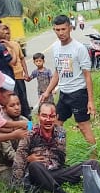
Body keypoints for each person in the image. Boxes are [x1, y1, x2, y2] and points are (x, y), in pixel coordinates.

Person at [12, 102, 100, 193]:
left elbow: (61, 157)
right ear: (38, 116)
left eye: (52, 116)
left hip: (55, 173)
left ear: (56, 117)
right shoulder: (30, 132)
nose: (48, 120)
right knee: (34, 165)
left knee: (93, 164)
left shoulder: (61, 132)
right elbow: (19, 158)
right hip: (37, 174)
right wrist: (18, 183)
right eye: (44, 116)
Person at [38, 14, 96, 158]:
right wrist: (47, 92)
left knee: (83, 127)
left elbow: (87, 76)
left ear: (70, 28)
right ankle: (57, 154)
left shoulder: (79, 48)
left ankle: (95, 158)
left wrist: (90, 101)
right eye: (57, 30)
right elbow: (58, 73)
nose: (61, 33)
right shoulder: (56, 47)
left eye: (63, 29)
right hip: (64, 94)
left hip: (78, 94)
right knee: (56, 125)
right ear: (54, 30)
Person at [0, 93, 30, 187]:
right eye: (12, 105)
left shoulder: (25, 120)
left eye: (18, 104)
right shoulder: (1, 126)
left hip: (19, 160)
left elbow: (33, 140)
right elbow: (8, 154)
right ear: (4, 108)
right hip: (1, 163)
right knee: (17, 184)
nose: (17, 107)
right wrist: (28, 160)